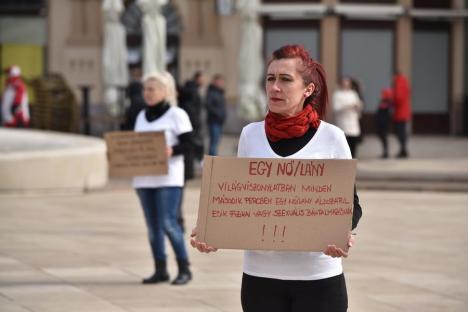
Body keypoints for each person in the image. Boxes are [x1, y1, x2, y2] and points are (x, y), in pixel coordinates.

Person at [191, 44, 363, 312]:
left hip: (318, 277)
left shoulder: (332, 137)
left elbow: (351, 203)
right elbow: (242, 201)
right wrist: (212, 228)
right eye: (270, 79)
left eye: (285, 79)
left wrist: (344, 232)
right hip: (261, 278)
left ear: (308, 89)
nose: (274, 87)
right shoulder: (250, 135)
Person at [133, 72, 193, 285]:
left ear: (164, 91)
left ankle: (184, 268)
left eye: (151, 89)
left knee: (168, 223)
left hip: (168, 179)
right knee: (152, 227)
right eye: (145, 89)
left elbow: (189, 145)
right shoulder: (141, 116)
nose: (146, 93)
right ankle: (160, 269)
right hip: (144, 179)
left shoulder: (177, 115)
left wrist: (171, 150)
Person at [178, 71, 205, 178]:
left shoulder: (189, 91)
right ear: (197, 78)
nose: (204, 81)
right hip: (193, 124)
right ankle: (199, 169)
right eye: (202, 78)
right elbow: (193, 110)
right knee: (196, 147)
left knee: (192, 148)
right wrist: (196, 122)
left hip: (192, 124)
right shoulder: (192, 92)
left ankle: (194, 169)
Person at [332, 76, 362, 158]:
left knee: (353, 145)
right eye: (344, 83)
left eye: (347, 83)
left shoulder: (353, 93)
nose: (346, 85)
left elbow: (359, 105)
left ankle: (353, 160)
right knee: (344, 146)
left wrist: (358, 106)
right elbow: (335, 108)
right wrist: (348, 106)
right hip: (343, 123)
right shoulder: (337, 94)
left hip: (353, 123)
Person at [205, 74, 227, 156]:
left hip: (219, 121)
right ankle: (212, 162)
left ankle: (214, 160)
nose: (221, 83)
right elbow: (208, 105)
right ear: (215, 81)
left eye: (222, 81)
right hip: (214, 121)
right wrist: (218, 114)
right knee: (213, 143)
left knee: (216, 142)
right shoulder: (211, 92)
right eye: (220, 81)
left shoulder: (220, 92)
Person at [392, 72, 412, 158]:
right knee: (402, 132)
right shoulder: (404, 82)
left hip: (400, 112)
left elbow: (398, 97)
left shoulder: (399, 82)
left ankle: (403, 150)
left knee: (400, 132)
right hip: (404, 112)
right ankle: (403, 150)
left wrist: (393, 101)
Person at [376, 88, 393, 159]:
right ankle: (385, 152)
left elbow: (388, 114)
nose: (381, 95)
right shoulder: (383, 102)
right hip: (380, 123)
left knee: (384, 138)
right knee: (382, 137)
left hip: (384, 124)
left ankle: (386, 152)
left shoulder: (388, 103)